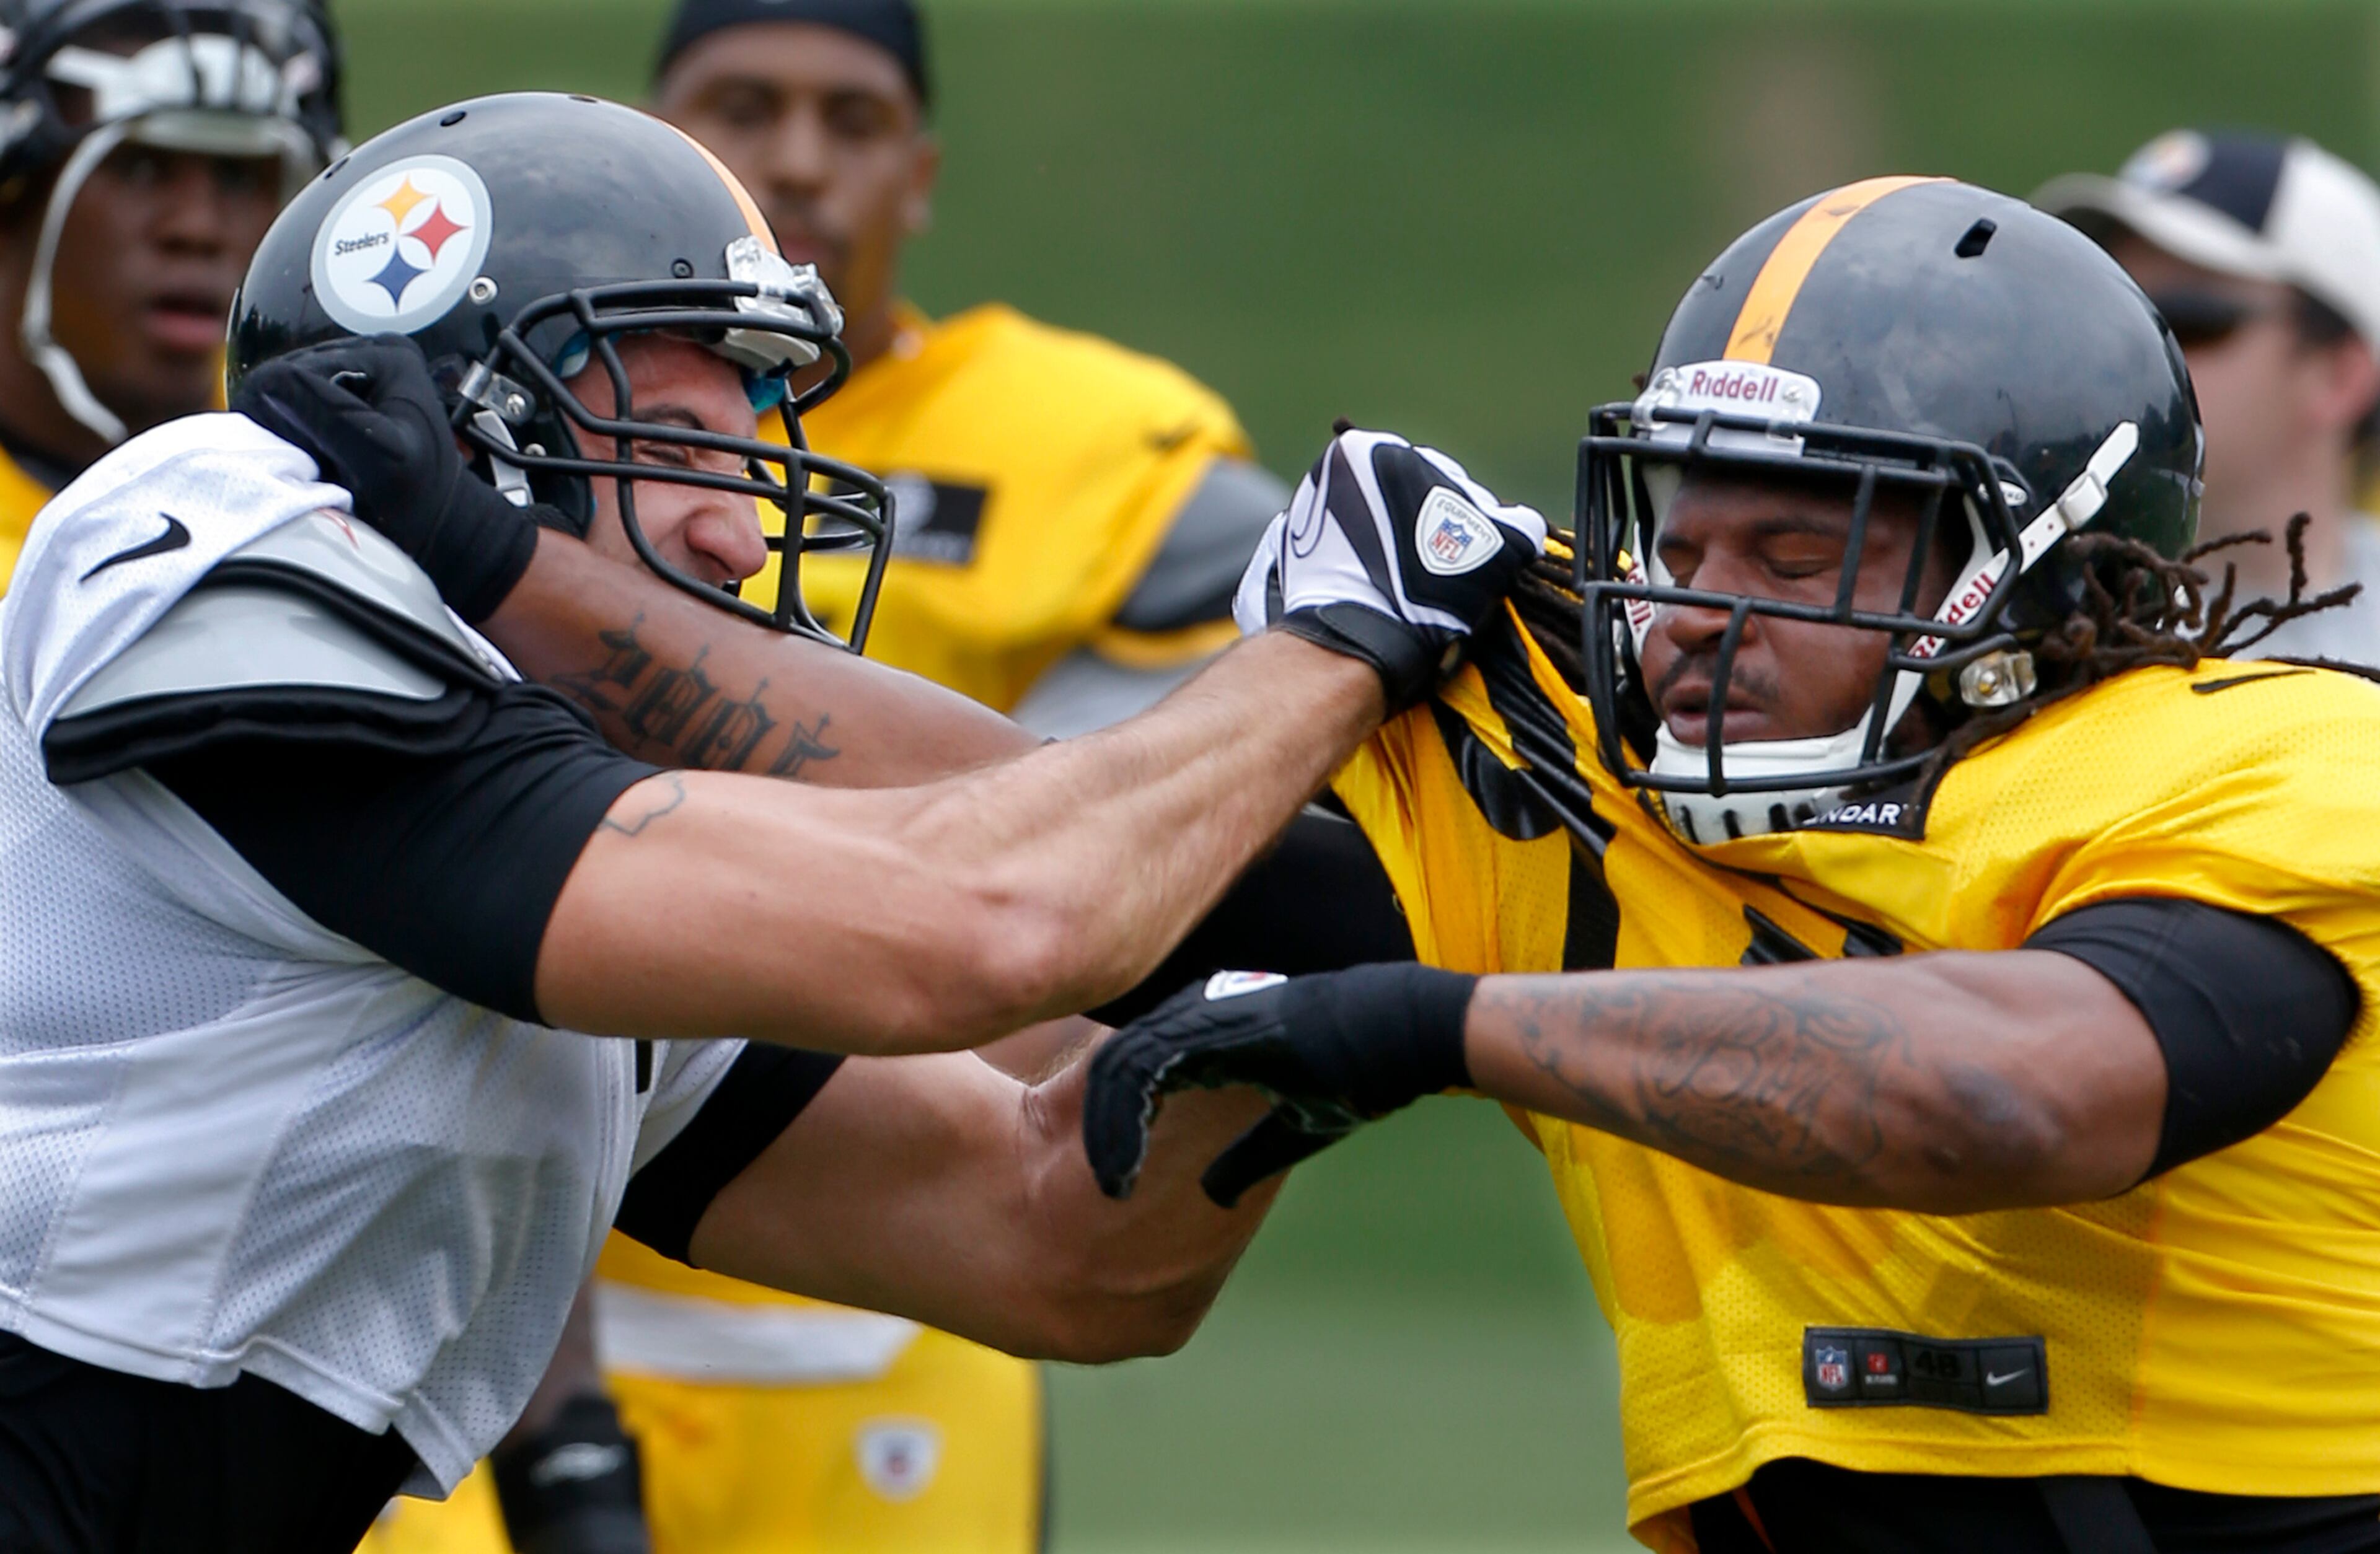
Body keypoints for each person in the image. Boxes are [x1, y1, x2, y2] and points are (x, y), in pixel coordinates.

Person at [0, 90, 1546, 1554]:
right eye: (675, 451)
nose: (743, 535)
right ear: (440, 434)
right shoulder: (223, 534)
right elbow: (986, 920)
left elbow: (1057, 1248)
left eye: (754, 459)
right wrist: (1337, 646)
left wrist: (1298, 1031)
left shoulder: (582, 857)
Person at [1086, 178, 2380, 1553]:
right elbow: (1049, 861)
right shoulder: (1634, 826)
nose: (1690, 624)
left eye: (1794, 556)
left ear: (2032, 572)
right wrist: (1321, 658)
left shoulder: (2285, 758)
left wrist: (1443, 1026)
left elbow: (2018, 1091)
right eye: (1680, 550)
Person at [371, 5, 1297, 1550]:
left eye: (849, 121)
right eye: (743, 105)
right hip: (467, 1286)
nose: (796, 161)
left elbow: (1117, 874)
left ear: (919, 171)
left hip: (836, 1248)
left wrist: (1292, 1013)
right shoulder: (328, 539)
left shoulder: (1082, 447)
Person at [0, 0, 340, 591]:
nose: (198, 228)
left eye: (240, 175)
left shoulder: (324, 468)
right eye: (140, 168)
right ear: (12, 195)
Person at [2035, 130, 2380, 662]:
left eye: (2189, 321)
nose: (2133, 353)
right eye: (2109, 312)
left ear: (2339, 375)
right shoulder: (2020, 606)